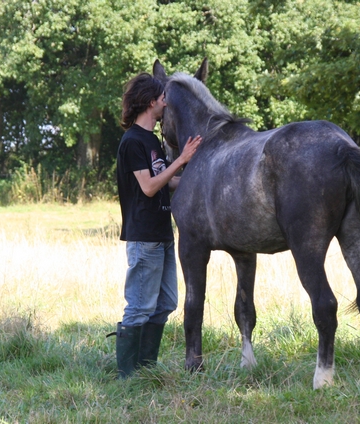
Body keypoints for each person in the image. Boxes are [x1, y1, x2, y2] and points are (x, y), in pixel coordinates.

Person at [111, 72, 201, 378]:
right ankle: (127, 377)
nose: (166, 103)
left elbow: (166, 182)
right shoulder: (133, 141)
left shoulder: (152, 140)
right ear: (151, 102)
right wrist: (181, 159)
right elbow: (149, 187)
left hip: (163, 235)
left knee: (166, 303)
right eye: (163, 98)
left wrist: (193, 174)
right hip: (143, 237)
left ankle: (146, 368)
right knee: (139, 306)